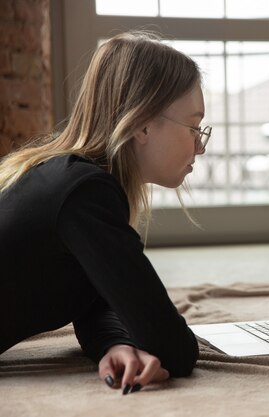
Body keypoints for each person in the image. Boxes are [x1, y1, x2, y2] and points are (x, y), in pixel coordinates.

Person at [0, 31, 210, 393]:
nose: (200, 145)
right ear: (143, 123)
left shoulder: (64, 177)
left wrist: (116, 344)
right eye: (194, 127)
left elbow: (95, 296)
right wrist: (149, 338)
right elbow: (175, 349)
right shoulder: (85, 193)